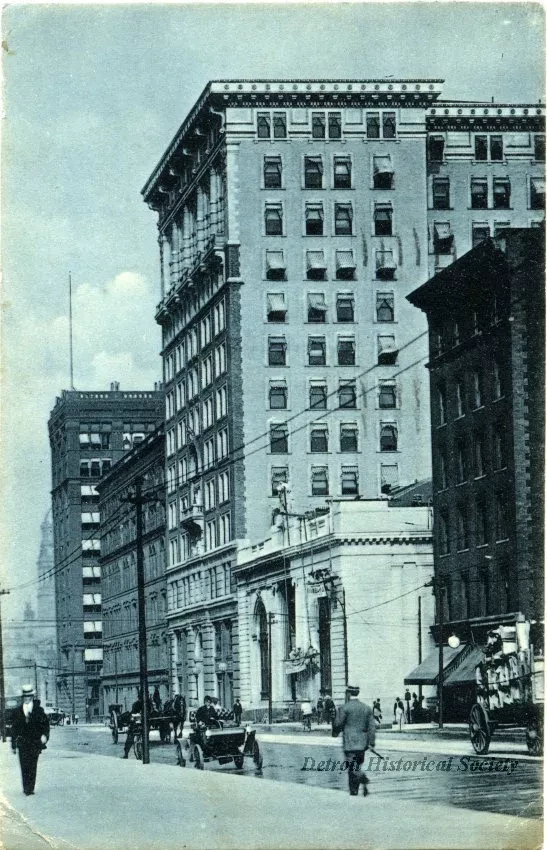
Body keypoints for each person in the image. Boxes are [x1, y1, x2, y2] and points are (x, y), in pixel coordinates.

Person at [332, 684, 375, 797]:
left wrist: (335, 728)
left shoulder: (345, 708)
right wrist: (371, 743)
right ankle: (354, 792)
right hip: (362, 744)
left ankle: (362, 778)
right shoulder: (366, 708)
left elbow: (337, 724)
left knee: (352, 767)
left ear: (348, 693)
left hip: (350, 742)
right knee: (356, 765)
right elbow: (372, 727)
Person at [11, 684, 50, 796]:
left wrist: (45, 736)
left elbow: (45, 725)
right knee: (24, 765)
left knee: (33, 765)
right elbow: (14, 729)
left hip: (34, 743)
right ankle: (26, 788)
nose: (27, 698)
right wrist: (13, 745)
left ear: (32, 696)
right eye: (25, 696)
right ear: (22, 697)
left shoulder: (38, 710)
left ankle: (30, 788)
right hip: (22, 743)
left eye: (29, 696)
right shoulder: (17, 711)